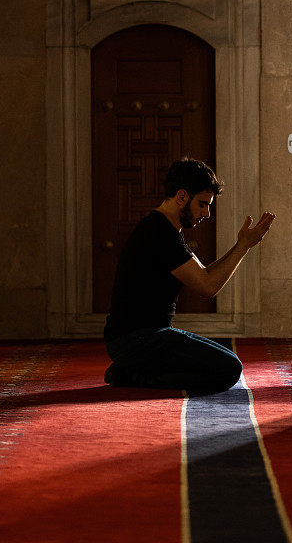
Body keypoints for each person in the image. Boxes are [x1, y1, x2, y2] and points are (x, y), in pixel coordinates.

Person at [103, 157, 276, 395]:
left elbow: (204, 275)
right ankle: (132, 374)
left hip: (144, 338)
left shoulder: (165, 229)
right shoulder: (161, 233)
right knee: (228, 368)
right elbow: (208, 286)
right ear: (182, 196)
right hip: (136, 341)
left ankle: (132, 369)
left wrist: (242, 244)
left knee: (227, 360)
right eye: (203, 204)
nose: (206, 213)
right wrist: (243, 248)